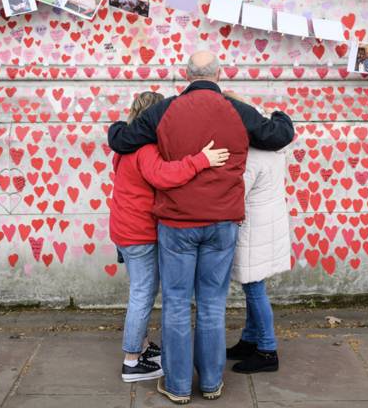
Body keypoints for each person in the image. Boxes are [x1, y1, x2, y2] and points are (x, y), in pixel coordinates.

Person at [108, 51, 294, 404]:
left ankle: (177, 387)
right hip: (222, 223)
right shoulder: (237, 111)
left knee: (177, 304)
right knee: (212, 304)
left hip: (177, 224)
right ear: (219, 74)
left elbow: (122, 140)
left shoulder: (164, 111)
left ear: (186, 74)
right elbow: (276, 135)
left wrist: (117, 127)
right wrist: (281, 115)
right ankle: (211, 383)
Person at [110, 91, 230, 383]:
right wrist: (201, 160)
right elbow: (165, 176)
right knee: (143, 293)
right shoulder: (145, 148)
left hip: (124, 228)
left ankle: (140, 347)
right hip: (139, 233)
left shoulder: (125, 145)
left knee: (142, 291)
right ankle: (131, 362)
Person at [223, 92, 290, 375]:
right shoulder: (273, 148)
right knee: (255, 285)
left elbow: (236, 194)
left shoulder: (249, 158)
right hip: (269, 225)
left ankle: (267, 350)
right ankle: (249, 341)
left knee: (254, 288)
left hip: (254, 230)